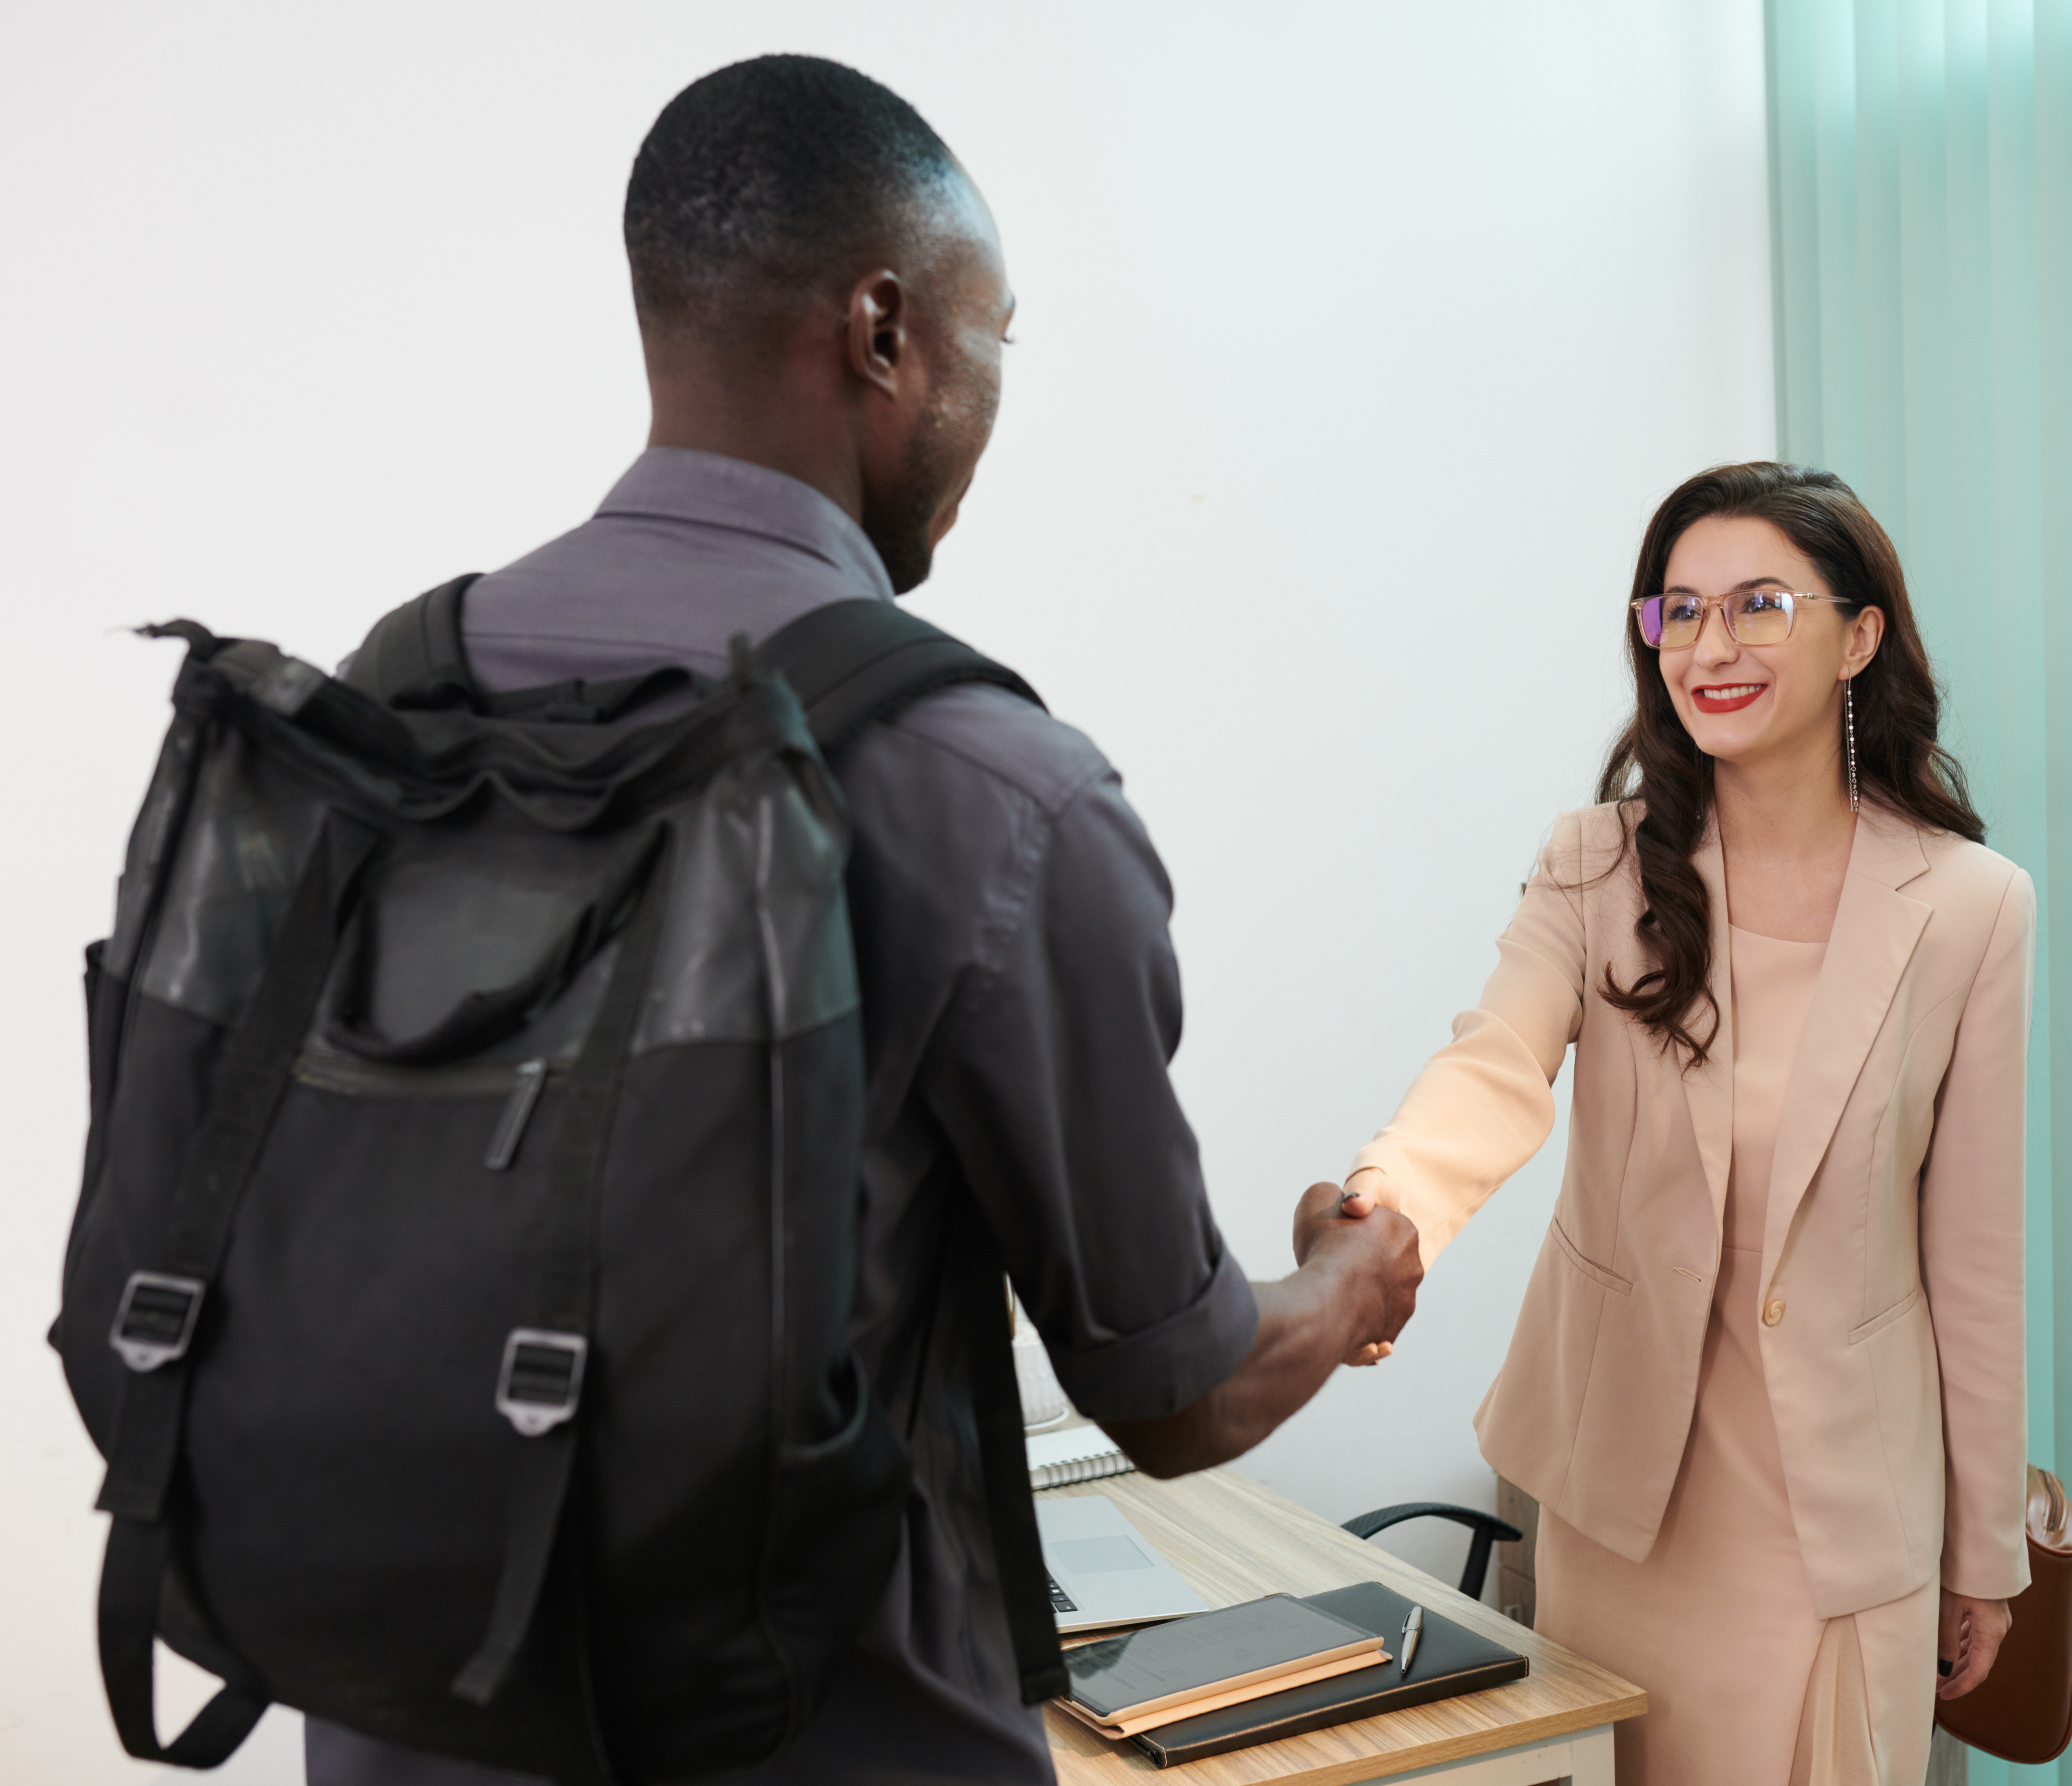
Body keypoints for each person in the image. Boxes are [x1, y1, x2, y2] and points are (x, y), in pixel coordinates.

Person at [305, 55, 1421, 1786]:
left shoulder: (388, 695)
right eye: (995, 339)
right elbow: (1179, 1393)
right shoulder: (991, 786)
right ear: (885, 331)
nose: (991, 400)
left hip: (408, 1727)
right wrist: (1354, 1281)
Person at [1332, 463, 2030, 1782]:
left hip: (1842, 1522)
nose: (1712, 647)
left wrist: (1985, 1553)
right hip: (1627, 1501)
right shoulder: (1597, 863)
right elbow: (1495, 1064)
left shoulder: (1972, 905)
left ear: (1859, 638)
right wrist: (1383, 1210)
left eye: (1760, 605)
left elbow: (1976, 1260)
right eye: (1682, 610)